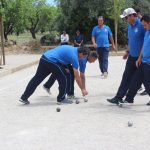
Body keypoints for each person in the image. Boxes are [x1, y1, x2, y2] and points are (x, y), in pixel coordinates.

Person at [19, 45, 89, 105]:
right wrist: (82, 89)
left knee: (37, 79)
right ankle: (61, 99)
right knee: (64, 78)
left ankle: (24, 97)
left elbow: (61, 56)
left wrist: (64, 67)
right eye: (84, 56)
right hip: (52, 61)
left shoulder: (71, 48)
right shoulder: (75, 57)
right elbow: (77, 77)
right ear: (81, 53)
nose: (83, 58)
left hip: (44, 58)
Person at [107, 8, 145, 105]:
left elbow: (146, 42)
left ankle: (129, 99)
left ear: (132, 15)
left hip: (141, 58)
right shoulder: (129, 26)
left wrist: (141, 57)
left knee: (139, 80)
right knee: (126, 77)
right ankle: (118, 97)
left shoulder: (142, 25)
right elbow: (131, 40)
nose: (125, 19)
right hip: (132, 56)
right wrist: (127, 51)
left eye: (126, 17)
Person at [120, 14, 150, 105]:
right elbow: (144, 46)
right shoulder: (147, 32)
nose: (144, 27)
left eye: (145, 25)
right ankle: (129, 99)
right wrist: (139, 58)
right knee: (135, 80)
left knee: (148, 85)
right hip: (144, 61)